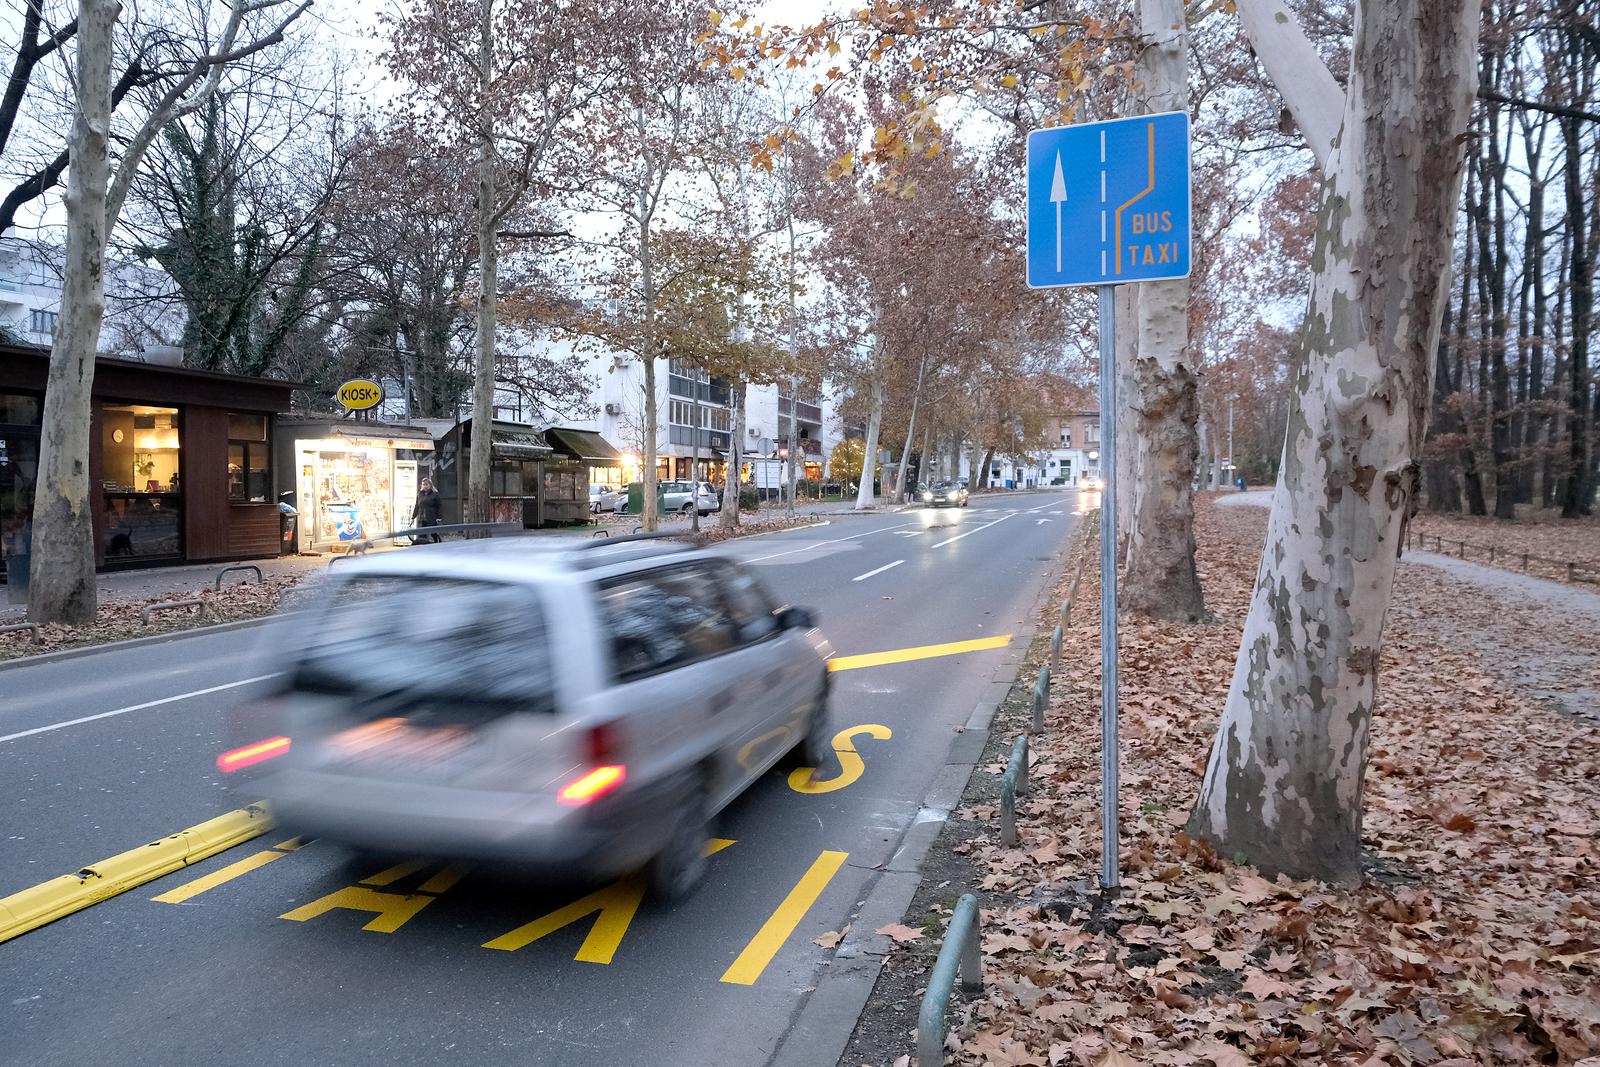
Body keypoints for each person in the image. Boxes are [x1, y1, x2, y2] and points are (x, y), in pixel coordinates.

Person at [412, 477, 442, 543]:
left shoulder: (435, 494)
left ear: (430, 485)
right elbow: (417, 506)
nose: (425, 486)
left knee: (433, 533)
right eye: (423, 484)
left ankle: (437, 544)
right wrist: (413, 516)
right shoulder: (420, 494)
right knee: (422, 533)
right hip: (422, 517)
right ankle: (423, 545)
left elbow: (439, 505)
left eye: (426, 484)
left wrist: (439, 516)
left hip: (431, 516)